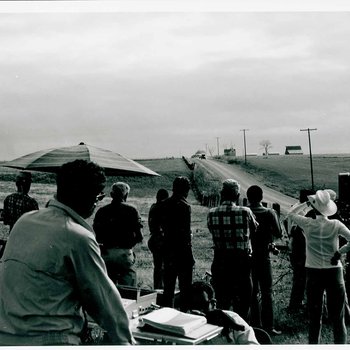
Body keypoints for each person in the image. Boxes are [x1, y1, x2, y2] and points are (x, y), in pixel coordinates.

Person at [0, 160, 133, 346]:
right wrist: (126, 343)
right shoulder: (78, 237)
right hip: (51, 339)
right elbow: (105, 302)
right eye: (98, 197)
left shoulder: (25, 221)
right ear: (91, 198)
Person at [287, 189, 350, 344]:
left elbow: (291, 214)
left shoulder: (308, 224)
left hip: (313, 272)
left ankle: (314, 345)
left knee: (315, 317)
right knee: (338, 317)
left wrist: (306, 204)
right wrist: (339, 252)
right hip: (334, 271)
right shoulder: (336, 224)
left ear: (314, 208)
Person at [207, 179, 258, 321]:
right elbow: (255, 229)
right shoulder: (245, 211)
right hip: (241, 261)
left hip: (220, 261)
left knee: (222, 300)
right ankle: (241, 329)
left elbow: (211, 230)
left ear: (221, 195)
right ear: (237, 196)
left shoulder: (212, 213)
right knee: (243, 301)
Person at [246, 185, 283, 336]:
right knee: (267, 292)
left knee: (253, 291)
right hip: (263, 255)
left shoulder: (244, 212)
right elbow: (278, 232)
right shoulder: (269, 212)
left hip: (249, 255)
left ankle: (255, 324)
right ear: (261, 197)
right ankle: (269, 326)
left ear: (248, 197)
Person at [93, 182, 143, 287]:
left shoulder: (102, 211)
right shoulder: (132, 210)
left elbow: (96, 235)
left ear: (111, 195)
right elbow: (140, 237)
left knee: (107, 285)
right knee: (128, 283)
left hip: (106, 253)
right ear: (126, 195)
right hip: (125, 253)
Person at [160, 176, 194, 312]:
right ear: (186, 190)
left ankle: (166, 313)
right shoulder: (185, 206)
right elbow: (185, 234)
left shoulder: (163, 204)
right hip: (182, 251)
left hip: (168, 249)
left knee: (168, 287)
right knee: (186, 287)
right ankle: (184, 313)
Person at [188, 281, 260, 345]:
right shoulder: (187, 326)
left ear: (213, 303)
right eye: (193, 307)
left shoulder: (233, 319)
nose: (199, 311)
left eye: (202, 305)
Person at [287, 189, 315, 313]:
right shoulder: (302, 210)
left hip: (298, 246)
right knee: (301, 278)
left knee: (300, 278)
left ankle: (298, 304)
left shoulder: (297, 207)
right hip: (300, 246)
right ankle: (297, 305)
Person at [148, 188, 169, 290]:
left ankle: (157, 287)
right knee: (165, 266)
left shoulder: (153, 207)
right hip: (163, 239)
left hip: (154, 239)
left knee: (157, 266)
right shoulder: (165, 208)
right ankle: (164, 288)